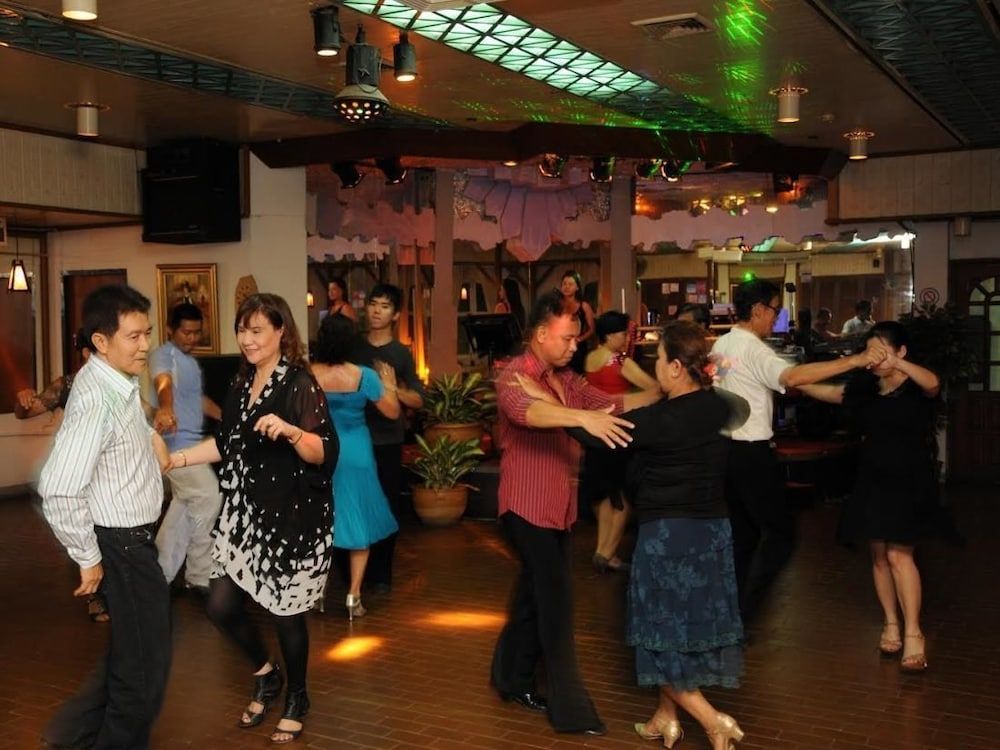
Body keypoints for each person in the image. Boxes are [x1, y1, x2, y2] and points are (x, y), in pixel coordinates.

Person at [166, 293, 338, 744]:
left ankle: (298, 697)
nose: (247, 339)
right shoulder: (242, 382)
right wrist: (175, 460)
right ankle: (266, 674)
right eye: (242, 330)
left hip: (291, 518)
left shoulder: (299, 383)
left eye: (257, 330)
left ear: (281, 331)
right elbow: (226, 443)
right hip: (244, 515)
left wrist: (292, 431)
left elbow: (322, 451)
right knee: (220, 605)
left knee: (285, 615)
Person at [570, 322, 750, 750]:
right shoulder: (718, 406)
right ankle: (665, 718)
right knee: (681, 631)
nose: (655, 366)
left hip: (669, 536)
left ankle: (713, 721)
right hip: (713, 534)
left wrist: (560, 410)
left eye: (659, 359)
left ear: (675, 367)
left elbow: (593, 437)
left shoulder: (658, 420)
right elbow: (739, 408)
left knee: (656, 632)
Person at [489, 290, 660, 736]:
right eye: (566, 338)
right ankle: (571, 710)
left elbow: (611, 405)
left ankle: (510, 677)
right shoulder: (514, 375)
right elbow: (528, 412)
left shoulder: (565, 378)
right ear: (540, 335)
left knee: (532, 596)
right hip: (524, 508)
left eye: (575, 339)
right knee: (556, 604)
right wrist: (579, 418)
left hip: (557, 508)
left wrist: (666, 389)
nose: (573, 346)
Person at [38, 285, 171, 750]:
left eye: (147, 334)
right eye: (133, 336)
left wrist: (151, 436)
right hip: (122, 544)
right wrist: (87, 556)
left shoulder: (117, 382)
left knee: (132, 652)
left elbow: (122, 432)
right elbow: (58, 487)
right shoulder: (96, 397)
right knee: (144, 666)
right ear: (100, 341)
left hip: (131, 541)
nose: (145, 345)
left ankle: (69, 734)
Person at [711, 279, 888, 623]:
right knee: (781, 535)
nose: (775, 317)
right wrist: (856, 360)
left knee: (744, 537)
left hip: (727, 453)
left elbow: (774, 383)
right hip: (752, 454)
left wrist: (837, 393)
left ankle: (729, 614)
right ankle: (744, 614)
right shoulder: (754, 349)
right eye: (774, 310)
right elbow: (791, 377)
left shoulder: (722, 344)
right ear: (758, 310)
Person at [800, 322, 939, 672]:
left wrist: (897, 363)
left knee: (899, 555)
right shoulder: (865, 388)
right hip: (872, 478)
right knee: (878, 556)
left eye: (881, 350)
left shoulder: (915, 385)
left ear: (901, 350)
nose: (874, 359)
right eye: (870, 352)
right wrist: (792, 381)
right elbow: (832, 393)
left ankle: (913, 632)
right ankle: (890, 622)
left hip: (909, 480)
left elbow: (933, 384)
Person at [16, 329, 110, 623]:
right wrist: (22, 400)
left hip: (109, 469)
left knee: (110, 530)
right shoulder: (67, 385)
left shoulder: (118, 381)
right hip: (79, 470)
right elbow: (25, 412)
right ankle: (96, 594)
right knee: (91, 529)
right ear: (86, 353)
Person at [311, 314, 400, 620]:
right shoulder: (364, 376)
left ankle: (318, 592)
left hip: (322, 450)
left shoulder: (309, 374)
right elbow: (392, 412)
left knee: (323, 520)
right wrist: (390, 385)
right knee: (358, 518)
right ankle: (354, 596)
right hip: (357, 452)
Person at [352, 283, 425, 593]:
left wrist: (393, 389)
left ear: (395, 315)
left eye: (384, 306)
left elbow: (419, 399)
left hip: (387, 442)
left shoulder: (400, 354)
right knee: (354, 505)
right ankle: (355, 574)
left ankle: (381, 573)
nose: (377, 311)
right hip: (354, 439)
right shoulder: (354, 348)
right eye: (373, 304)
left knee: (386, 506)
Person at [151, 302, 223, 595]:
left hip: (193, 446)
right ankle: (200, 575)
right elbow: (163, 383)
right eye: (186, 332)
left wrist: (228, 418)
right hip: (176, 447)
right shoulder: (164, 355)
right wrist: (166, 408)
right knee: (209, 496)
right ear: (171, 330)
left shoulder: (189, 362)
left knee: (183, 507)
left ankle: (160, 574)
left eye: (196, 333)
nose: (192, 338)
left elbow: (198, 400)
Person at [582, 311, 658, 573]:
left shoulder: (590, 358)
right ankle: (607, 553)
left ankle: (602, 550)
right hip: (618, 433)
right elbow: (654, 388)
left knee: (605, 495)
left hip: (595, 433)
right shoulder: (620, 361)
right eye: (624, 333)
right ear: (610, 335)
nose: (627, 338)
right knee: (623, 498)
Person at [559, 270, 595, 374]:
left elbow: (591, 329)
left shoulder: (584, 306)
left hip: (578, 348)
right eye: (564, 284)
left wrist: (579, 339)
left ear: (577, 287)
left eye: (570, 284)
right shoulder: (556, 305)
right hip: (560, 346)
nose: (566, 287)